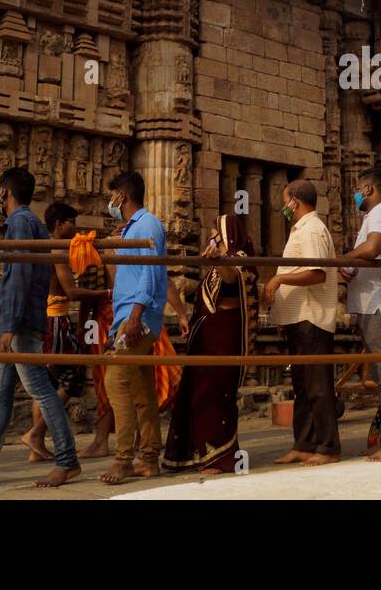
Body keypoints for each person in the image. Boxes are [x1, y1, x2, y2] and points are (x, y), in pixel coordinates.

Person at [0, 168, 80, 489]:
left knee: (42, 392)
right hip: (19, 322)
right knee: (1, 395)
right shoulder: (28, 222)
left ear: (3, 192)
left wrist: (8, 327)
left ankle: (67, 461)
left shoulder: (20, 222)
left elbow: (19, 276)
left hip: (18, 326)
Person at [164, 213, 258, 474]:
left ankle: (220, 457)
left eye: (216, 232)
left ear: (228, 234)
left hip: (224, 335)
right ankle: (199, 453)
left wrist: (220, 261)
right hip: (206, 334)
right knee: (197, 392)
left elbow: (232, 278)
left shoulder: (239, 261)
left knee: (215, 392)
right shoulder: (218, 264)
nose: (212, 237)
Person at [22, 202, 111, 463]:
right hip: (56, 320)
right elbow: (71, 292)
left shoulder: (42, 245)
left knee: (46, 383)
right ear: (59, 224)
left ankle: (34, 450)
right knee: (73, 379)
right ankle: (36, 434)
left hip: (43, 318)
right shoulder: (58, 247)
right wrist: (105, 293)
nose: (76, 227)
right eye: (71, 221)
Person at [95, 171, 169, 484]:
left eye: (111, 195)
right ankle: (149, 458)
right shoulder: (132, 230)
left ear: (121, 196)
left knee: (115, 380)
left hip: (136, 319)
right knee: (141, 391)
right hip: (129, 316)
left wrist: (135, 317)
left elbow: (151, 275)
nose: (110, 201)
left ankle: (124, 458)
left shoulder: (148, 224)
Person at [264, 180, 340, 466]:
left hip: (313, 317)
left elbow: (317, 273)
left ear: (294, 201)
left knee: (318, 386)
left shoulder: (312, 230)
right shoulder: (301, 229)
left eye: (285, 201)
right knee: (303, 386)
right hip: (298, 318)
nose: (283, 207)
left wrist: (280, 278)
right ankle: (304, 443)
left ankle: (328, 446)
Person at [337, 167, 381, 462]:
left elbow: (374, 246)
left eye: (357, 188)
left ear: (368, 188)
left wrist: (345, 258)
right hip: (374, 305)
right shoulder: (376, 214)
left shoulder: (380, 213)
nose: (355, 194)